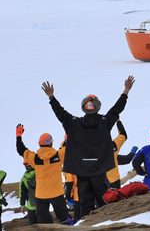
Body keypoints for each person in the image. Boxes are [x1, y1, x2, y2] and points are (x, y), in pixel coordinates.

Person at [44, 76, 134, 217]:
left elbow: (60, 113)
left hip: (82, 172)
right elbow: (117, 109)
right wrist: (126, 90)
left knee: (86, 204)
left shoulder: (74, 124)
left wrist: (51, 97)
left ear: (83, 107)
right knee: (103, 200)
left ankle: (87, 223)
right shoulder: (105, 122)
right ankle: (104, 222)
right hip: (99, 171)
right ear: (98, 107)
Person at [15, 125, 71, 224]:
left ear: (39, 144)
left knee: (44, 222)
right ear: (51, 143)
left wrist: (18, 136)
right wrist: (67, 138)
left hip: (41, 195)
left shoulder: (35, 159)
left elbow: (21, 150)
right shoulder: (59, 155)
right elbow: (69, 146)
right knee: (65, 219)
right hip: (56, 192)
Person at [106, 120, 137, 189]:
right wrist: (118, 121)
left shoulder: (88, 149)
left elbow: (125, 160)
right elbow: (123, 135)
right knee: (114, 198)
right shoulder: (112, 146)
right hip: (113, 181)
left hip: (97, 181)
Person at [18, 159, 37, 225]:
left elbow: (22, 194)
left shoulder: (24, 179)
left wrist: (22, 205)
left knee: (33, 225)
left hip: (31, 205)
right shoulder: (40, 173)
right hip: (42, 203)